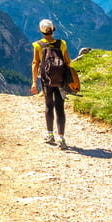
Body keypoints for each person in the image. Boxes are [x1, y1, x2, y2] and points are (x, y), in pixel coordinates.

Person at [30, 19, 72, 149]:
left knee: (49, 106)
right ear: (53, 30)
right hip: (60, 81)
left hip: (46, 81)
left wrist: (33, 82)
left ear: (41, 31)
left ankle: (50, 135)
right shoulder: (62, 44)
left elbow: (35, 63)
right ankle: (62, 138)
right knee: (60, 108)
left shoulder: (37, 45)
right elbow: (68, 62)